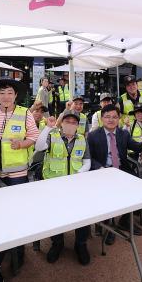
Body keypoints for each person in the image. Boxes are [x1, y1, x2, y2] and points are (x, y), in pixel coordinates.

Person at [0, 78, 38, 277]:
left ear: (15, 96)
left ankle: (18, 251)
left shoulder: (25, 113)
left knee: (17, 214)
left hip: (17, 174)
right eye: (2, 93)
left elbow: (34, 136)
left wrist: (22, 144)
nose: (6, 96)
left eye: (10, 93)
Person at [35, 110, 93, 265]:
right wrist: (47, 127)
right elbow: (39, 146)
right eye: (67, 121)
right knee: (55, 215)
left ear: (77, 125)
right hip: (53, 184)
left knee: (82, 214)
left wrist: (79, 173)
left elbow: (87, 161)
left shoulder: (82, 139)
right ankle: (57, 243)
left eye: (74, 122)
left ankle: (80, 244)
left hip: (76, 185)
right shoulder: (52, 136)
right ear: (62, 123)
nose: (71, 124)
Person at [87, 104, 142, 243]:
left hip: (121, 169)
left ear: (119, 119)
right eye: (107, 117)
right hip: (103, 171)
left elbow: (136, 147)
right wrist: (100, 168)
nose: (111, 120)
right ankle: (109, 226)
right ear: (102, 118)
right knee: (108, 194)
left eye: (114, 117)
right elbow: (89, 158)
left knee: (139, 186)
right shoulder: (93, 136)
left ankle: (125, 220)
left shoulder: (123, 134)